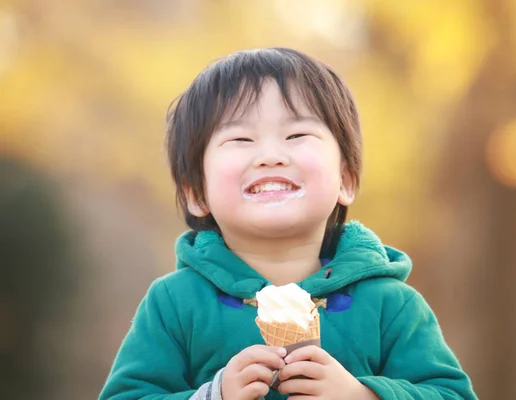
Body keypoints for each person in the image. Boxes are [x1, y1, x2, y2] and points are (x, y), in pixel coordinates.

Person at [99, 48, 477, 400]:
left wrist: (363, 395)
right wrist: (215, 393)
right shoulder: (175, 303)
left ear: (345, 179)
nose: (270, 156)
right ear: (197, 193)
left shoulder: (390, 304)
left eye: (297, 135)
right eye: (241, 138)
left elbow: (452, 393)